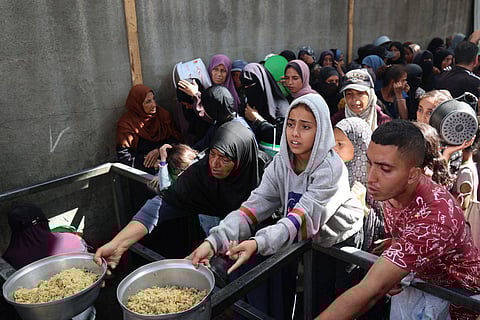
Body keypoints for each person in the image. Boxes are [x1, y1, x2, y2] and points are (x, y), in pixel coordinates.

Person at [189, 93, 365, 318]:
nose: (294, 133)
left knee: (330, 302)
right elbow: (254, 206)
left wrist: (257, 243)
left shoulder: (332, 169)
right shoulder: (282, 162)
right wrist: (214, 241)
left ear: (320, 130)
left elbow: (302, 218)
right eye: (291, 124)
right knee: (305, 299)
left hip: (338, 240)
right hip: (303, 236)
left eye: (305, 126)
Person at [317, 119, 480, 320]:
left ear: (413, 175)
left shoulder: (435, 217)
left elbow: (369, 291)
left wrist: (391, 273)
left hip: (456, 299)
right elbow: (399, 234)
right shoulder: (391, 189)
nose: (371, 177)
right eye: (370, 163)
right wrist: (397, 264)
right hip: (418, 282)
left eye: (385, 168)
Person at [95, 120, 262, 262]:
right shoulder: (200, 173)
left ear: (242, 159)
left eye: (225, 159)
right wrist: (119, 244)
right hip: (222, 247)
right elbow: (160, 206)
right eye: (212, 154)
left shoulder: (266, 174)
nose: (215, 164)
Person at [116, 84, 182, 211]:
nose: (153, 105)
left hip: (168, 173)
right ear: (137, 104)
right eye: (148, 102)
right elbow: (124, 156)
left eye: (153, 99)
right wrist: (151, 163)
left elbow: (176, 141)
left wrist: (159, 151)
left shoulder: (163, 116)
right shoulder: (127, 124)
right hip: (142, 179)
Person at [240, 62, 289, 150]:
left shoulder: (280, 106)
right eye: (245, 87)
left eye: (251, 85)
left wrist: (257, 120)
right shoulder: (247, 104)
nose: (248, 90)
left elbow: (281, 137)